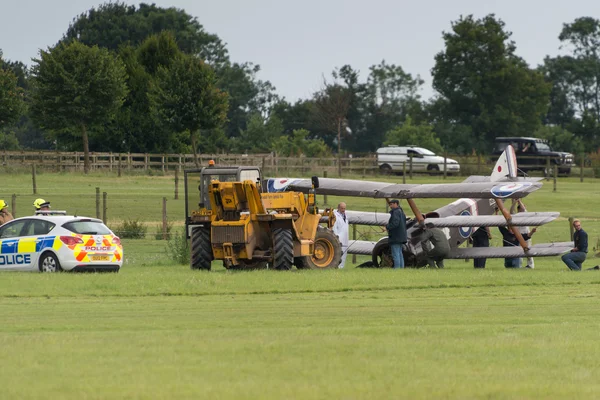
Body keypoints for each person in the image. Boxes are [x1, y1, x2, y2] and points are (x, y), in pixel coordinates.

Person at [511, 199, 535, 269]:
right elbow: (511, 210)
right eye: (519, 209)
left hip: (526, 234)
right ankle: (519, 264)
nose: (521, 210)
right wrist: (514, 202)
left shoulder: (525, 215)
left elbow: (523, 209)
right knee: (519, 250)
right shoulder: (515, 216)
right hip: (518, 235)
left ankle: (530, 265)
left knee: (528, 250)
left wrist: (518, 200)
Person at [386, 199, 407, 269]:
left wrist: (387, 227)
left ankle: (397, 269)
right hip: (401, 236)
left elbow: (395, 223)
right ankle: (401, 269)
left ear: (396, 204)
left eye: (391, 204)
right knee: (400, 253)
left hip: (395, 236)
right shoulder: (401, 212)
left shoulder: (395, 212)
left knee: (395, 254)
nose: (390, 206)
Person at [332, 202, 349, 269]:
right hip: (339, 238)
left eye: (344, 208)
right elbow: (334, 228)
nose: (343, 210)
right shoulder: (335, 216)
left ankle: (341, 267)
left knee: (344, 253)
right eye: (342, 208)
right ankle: (337, 267)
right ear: (338, 208)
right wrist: (336, 238)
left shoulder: (345, 216)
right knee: (338, 253)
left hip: (345, 238)